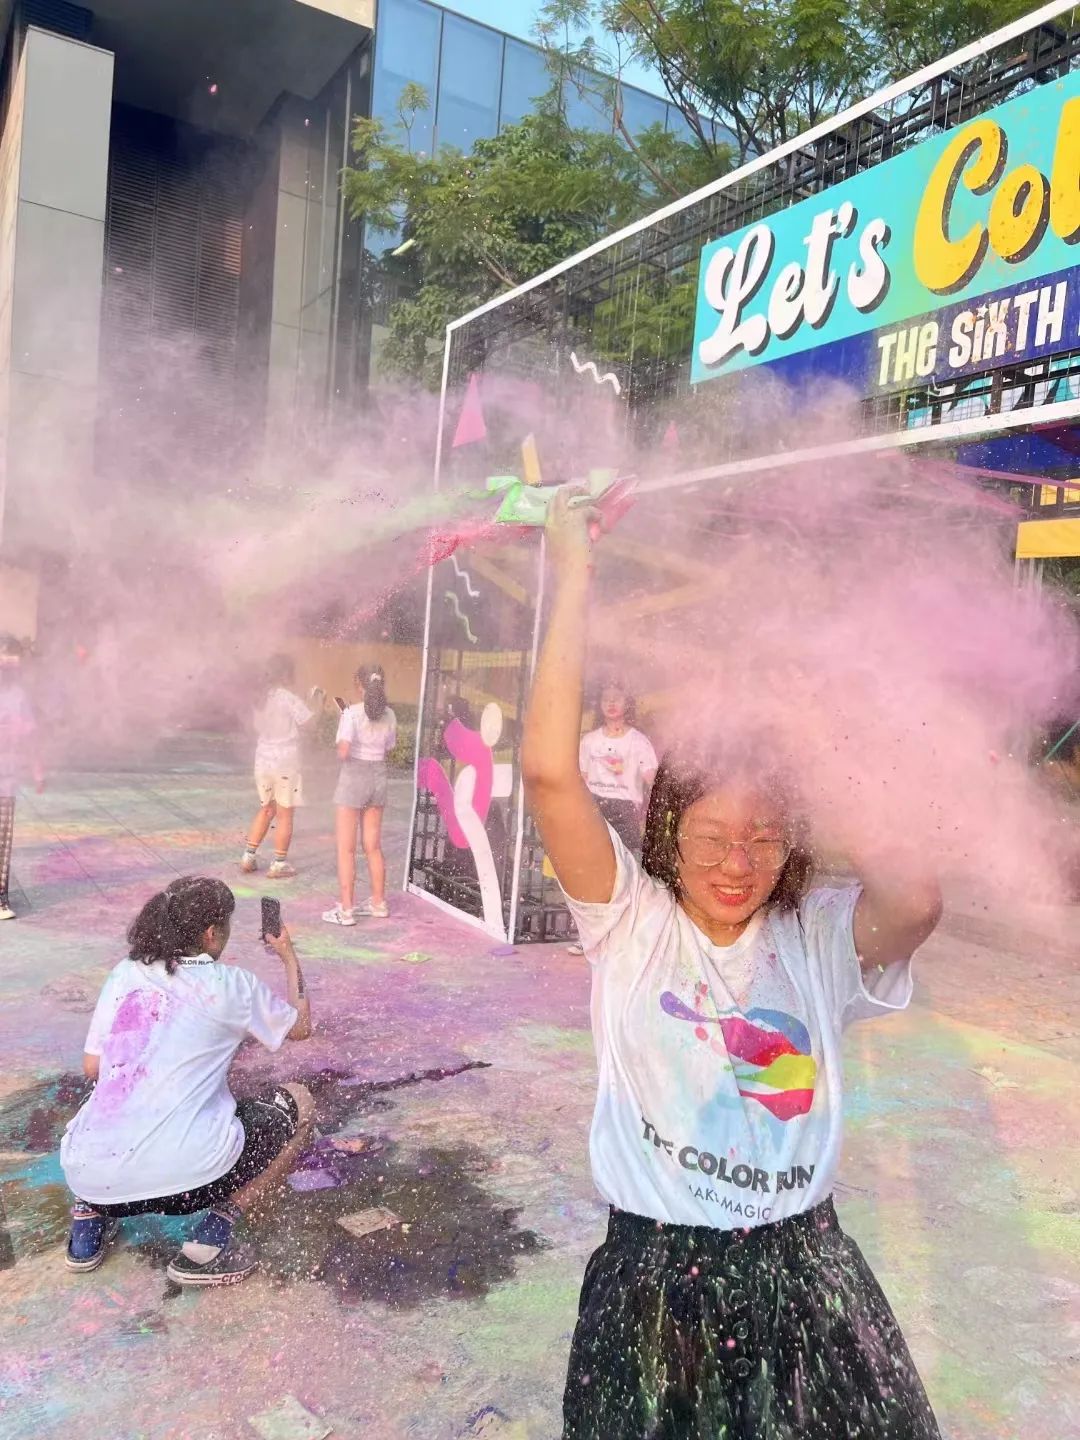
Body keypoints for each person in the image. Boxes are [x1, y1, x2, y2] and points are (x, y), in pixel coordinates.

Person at [521, 489, 943, 1440]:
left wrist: (819, 724)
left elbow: (916, 901)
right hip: (654, 1285)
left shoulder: (821, 937)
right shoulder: (632, 923)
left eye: (763, 838)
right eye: (712, 836)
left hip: (807, 1279)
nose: (735, 864)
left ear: (794, 842)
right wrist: (575, 567)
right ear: (669, 830)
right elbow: (549, 776)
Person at [59, 876, 314, 1287]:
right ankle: (208, 1244)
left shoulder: (126, 973)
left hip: (90, 1174)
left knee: (109, 1096)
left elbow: (93, 1066)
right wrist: (288, 956)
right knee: (299, 1102)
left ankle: (87, 1226)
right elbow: (300, 1026)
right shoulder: (233, 985)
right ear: (212, 933)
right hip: (190, 1181)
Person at [323, 665, 397, 926]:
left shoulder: (351, 714)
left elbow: (343, 752)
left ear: (359, 685)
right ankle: (378, 903)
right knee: (373, 847)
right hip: (378, 778)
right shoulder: (390, 714)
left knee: (346, 849)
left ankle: (346, 910)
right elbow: (389, 747)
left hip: (354, 778)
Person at [241, 655, 314, 879]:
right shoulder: (287, 698)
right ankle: (279, 863)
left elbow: (256, 728)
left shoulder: (259, 700)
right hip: (285, 762)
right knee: (284, 814)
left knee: (266, 809)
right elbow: (309, 724)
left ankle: (248, 856)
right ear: (285, 674)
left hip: (263, 761)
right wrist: (317, 702)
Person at [578, 679, 657, 853]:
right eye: (606, 699)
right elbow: (582, 778)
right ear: (599, 705)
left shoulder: (638, 741)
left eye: (616, 698)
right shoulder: (589, 741)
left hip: (626, 808)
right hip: (595, 806)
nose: (611, 703)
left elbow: (653, 780)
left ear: (627, 702)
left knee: (624, 862)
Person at [0, 635, 44, 922]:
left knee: (2, 842)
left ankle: (0, 898)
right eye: (4, 657)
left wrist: (37, 769)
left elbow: (30, 736)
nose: (8, 664)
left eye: (13, 659)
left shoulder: (19, 696)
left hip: (6, 778)